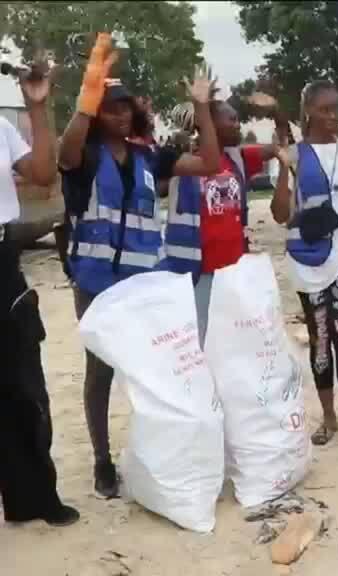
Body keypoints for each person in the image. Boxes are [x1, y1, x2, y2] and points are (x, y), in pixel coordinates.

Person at [58, 34, 221, 498]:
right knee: (100, 373)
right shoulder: (85, 157)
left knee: (152, 372)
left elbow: (210, 162)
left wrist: (202, 108)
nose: (122, 114)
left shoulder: (150, 157)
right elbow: (63, 153)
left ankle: (155, 455)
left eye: (126, 107)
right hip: (95, 284)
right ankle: (102, 462)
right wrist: (86, 98)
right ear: (97, 113)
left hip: (145, 284)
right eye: (112, 108)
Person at [269, 80, 338, 450]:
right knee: (320, 340)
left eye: (336, 108)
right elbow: (280, 214)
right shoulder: (294, 154)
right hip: (307, 259)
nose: (333, 116)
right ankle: (328, 418)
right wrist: (284, 168)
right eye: (324, 109)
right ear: (308, 112)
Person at [0, 54, 80, 527]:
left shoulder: (0, 128)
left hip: (2, 264)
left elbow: (44, 173)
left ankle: (33, 499)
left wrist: (37, 107)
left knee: (24, 384)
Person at [164, 94, 290, 344]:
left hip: (234, 271)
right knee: (200, 342)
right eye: (231, 119)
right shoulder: (182, 160)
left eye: (237, 119)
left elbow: (280, 146)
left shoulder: (238, 158)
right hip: (196, 271)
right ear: (209, 123)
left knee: (233, 343)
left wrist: (276, 112)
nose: (237, 124)